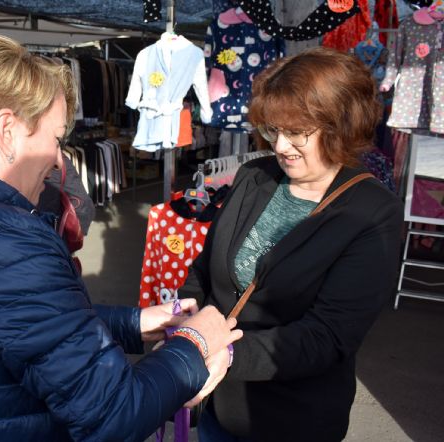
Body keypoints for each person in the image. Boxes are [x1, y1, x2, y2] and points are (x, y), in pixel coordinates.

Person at [0, 35, 242, 442]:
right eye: (57, 138)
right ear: (7, 130)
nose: (61, 159)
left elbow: (12, 323)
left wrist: (134, 323)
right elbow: (113, 415)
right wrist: (194, 345)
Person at [190, 47, 404, 442]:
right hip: (218, 409)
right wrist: (188, 315)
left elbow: (329, 335)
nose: (281, 146)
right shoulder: (254, 176)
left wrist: (226, 355)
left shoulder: (373, 213)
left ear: (342, 124)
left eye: (297, 132)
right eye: (273, 130)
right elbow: (206, 267)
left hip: (295, 420)